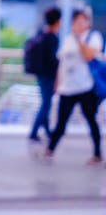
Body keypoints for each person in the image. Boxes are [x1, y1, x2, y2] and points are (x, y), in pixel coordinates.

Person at [42, 9, 103, 165]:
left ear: (88, 22)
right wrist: (57, 84)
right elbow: (62, 63)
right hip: (67, 88)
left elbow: (88, 55)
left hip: (86, 87)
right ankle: (49, 150)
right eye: (76, 21)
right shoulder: (67, 39)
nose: (80, 24)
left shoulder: (93, 37)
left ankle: (97, 154)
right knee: (61, 121)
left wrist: (78, 39)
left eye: (83, 21)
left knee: (91, 120)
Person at [27, 6, 61, 142]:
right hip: (49, 76)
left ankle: (47, 131)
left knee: (45, 102)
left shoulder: (41, 33)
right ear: (58, 21)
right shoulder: (52, 38)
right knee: (46, 104)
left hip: (41, 74)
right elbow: (51, 59)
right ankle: (34, 132)